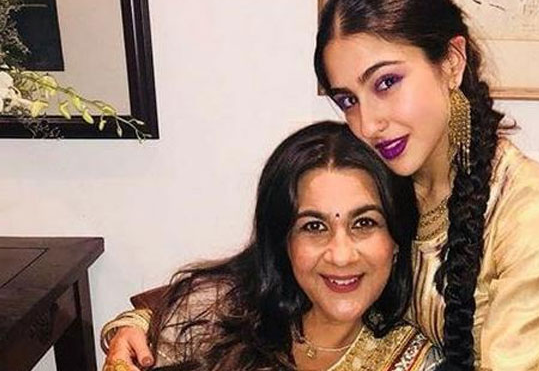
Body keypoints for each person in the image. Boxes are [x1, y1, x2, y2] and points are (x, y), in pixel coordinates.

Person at [105, 0, 539, 370]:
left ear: (452, 61)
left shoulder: (527, 205)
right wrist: (142, 322)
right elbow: (265, 268)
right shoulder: (388, 174)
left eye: (386, 83)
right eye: (348, 99)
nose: (369, 123)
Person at [101, 121, 435, 371]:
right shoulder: (216, 314)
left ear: (396, 238)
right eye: (314, 226)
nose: (341, 255)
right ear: (283, 240)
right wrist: (132, 327)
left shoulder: (420, 361)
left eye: (364, 223)